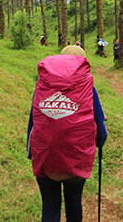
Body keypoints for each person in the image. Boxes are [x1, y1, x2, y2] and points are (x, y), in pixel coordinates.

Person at [27, 45, 108, 222]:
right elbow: (101, 133)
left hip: (45, 159)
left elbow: (33, 123)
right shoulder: (88, 89)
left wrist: (31, 153)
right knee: (73, 202)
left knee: (50, 206)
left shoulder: (42, 85)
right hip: (76, 160)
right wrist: (98, 142)